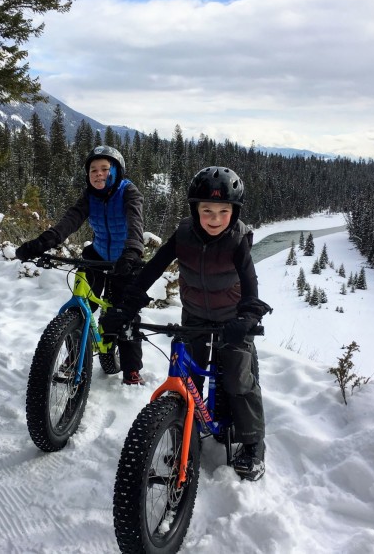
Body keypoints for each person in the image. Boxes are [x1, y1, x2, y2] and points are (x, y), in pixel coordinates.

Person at [101, 166, 272, 480]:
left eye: (224, 211)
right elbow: (151, 270)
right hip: (193, 315)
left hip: (232, 320)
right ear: (195, 209)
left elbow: (249, 282)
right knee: (189, 378)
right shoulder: (183, 235)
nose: (215, 218)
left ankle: (253, 445)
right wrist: (126, 307)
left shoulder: (236, 240)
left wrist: (247, 316)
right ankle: (182, 427)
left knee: (238, 380)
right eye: (207, 210)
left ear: (234, 213)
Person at [16, 145, 146, 385]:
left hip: (125, 259)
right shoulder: (89, 196)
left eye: (105, 169)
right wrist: (41, 243)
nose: (98, 174)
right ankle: (75, 357)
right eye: (93, 170)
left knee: (125, 316)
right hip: (96, 256)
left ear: (116, 171)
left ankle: (131, 370)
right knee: (79, 309)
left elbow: (135, 222)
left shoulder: (129, 192)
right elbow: (70, 221)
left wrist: (133, 251)